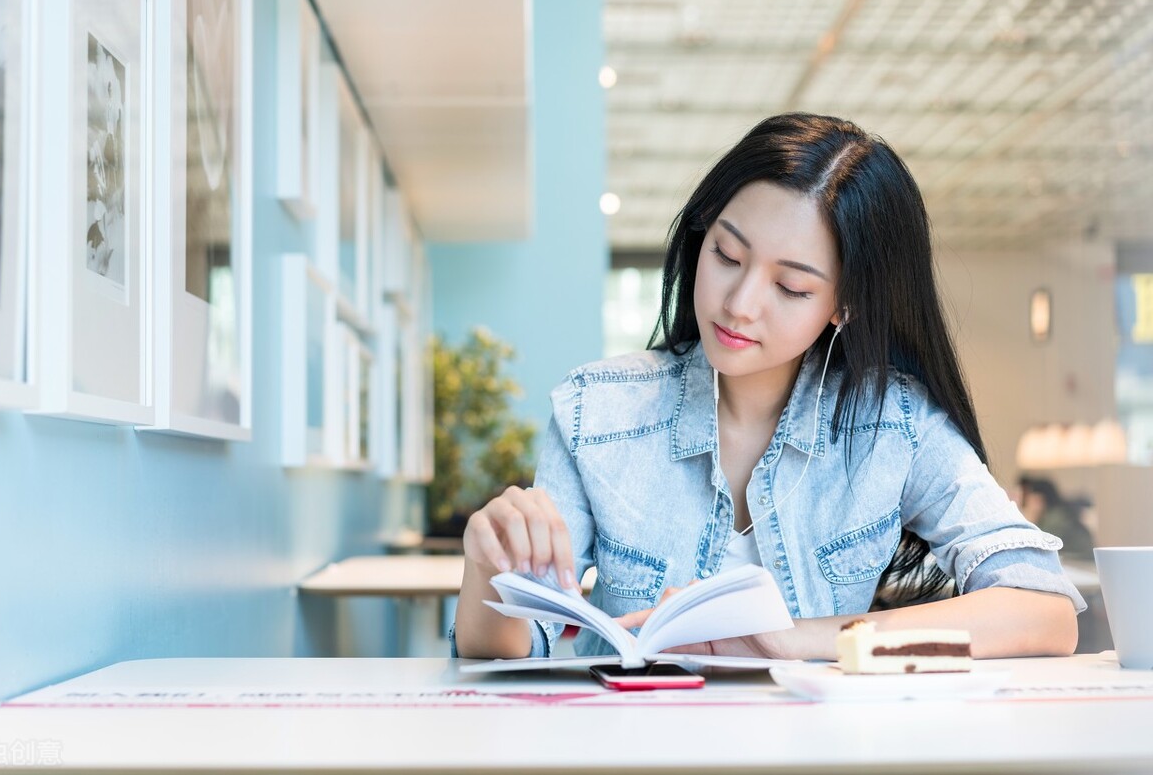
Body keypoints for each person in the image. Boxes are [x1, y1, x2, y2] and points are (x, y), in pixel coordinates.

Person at [452, 113, 1085, 663]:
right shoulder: (600, 410)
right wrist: (486, 568)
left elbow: (1044, 609)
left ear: (845, 304)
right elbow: (513, 649)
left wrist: (803, 638)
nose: (739, 304)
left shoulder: (894, 425)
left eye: (792, 288)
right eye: (727, 255)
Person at [1015, 475, 1096, 562]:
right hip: (1077, 565)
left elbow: (1035, 546)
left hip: (1083, 566)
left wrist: (1030, 518)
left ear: (1038, 499)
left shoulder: (1056, 518)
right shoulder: (1054, 514)